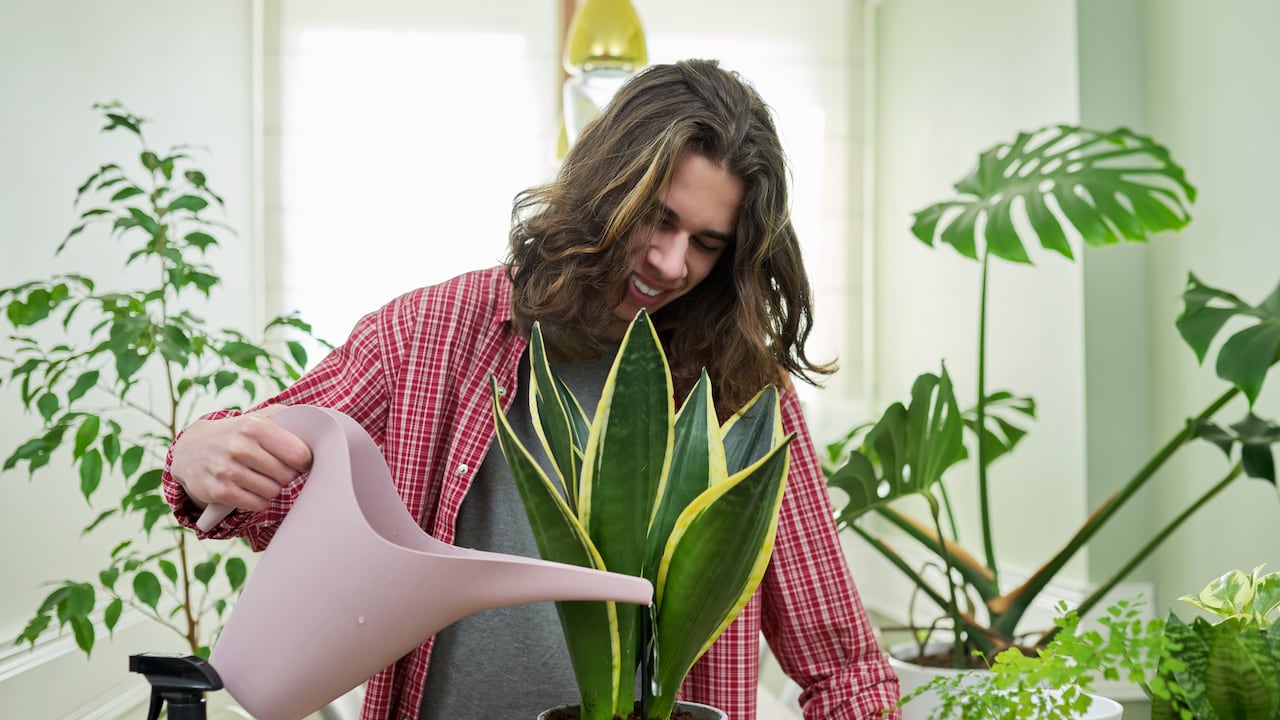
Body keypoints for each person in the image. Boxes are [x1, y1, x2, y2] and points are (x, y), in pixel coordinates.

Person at [164, 59, 902, 720]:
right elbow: (268, 486)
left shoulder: (744, 393)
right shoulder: (433, 331)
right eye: (657, 217)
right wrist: (201, 452)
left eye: (708, 243)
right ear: (602, 184)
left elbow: (844, 667)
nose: (672, 263)